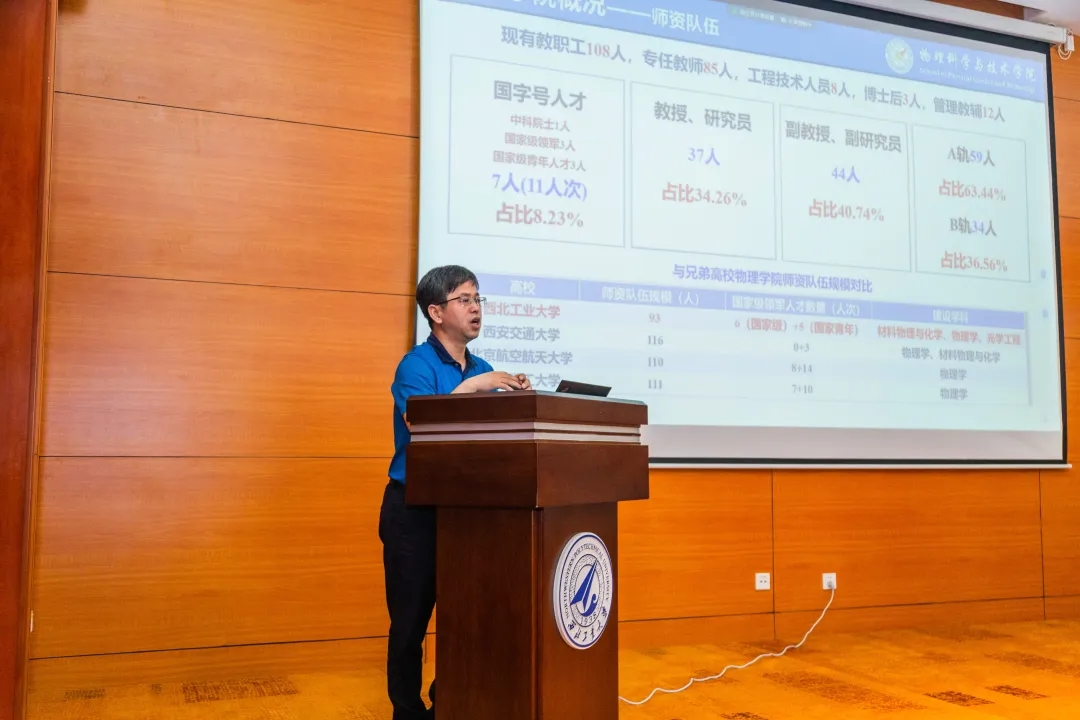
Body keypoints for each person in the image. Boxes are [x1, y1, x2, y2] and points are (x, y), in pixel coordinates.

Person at [379, 265, 531, 719]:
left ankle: (449, 704)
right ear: (436, 312)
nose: (476, 307)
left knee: (466, 619)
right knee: (410, 625)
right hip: (414, 512)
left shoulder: (483, 368)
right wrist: (474, 387)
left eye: (478, 298)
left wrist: (519, 402)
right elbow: (424, 425)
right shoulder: (415, 366)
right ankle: (407, 712)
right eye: (464, 299)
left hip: (468, 514)